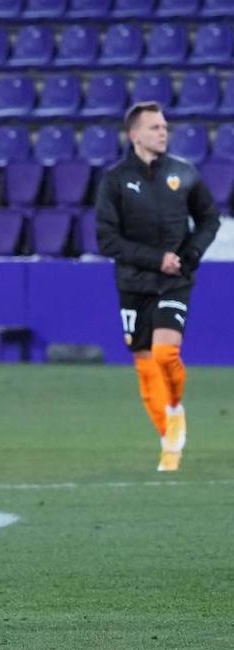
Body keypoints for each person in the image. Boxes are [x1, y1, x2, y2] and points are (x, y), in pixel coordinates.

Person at [95, 101, 220, 472]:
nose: (162, 132)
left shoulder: (185, 173)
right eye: (154, 127)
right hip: (133, 284)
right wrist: (154, 259)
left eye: (164, 126)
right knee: (147, 369)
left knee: (167, 355)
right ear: (134, 135)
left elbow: (209, 219)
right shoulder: (115, 180)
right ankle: (169, 442)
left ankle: (176, 408)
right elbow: (106, 239)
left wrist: (190, 253)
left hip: (175, 281)